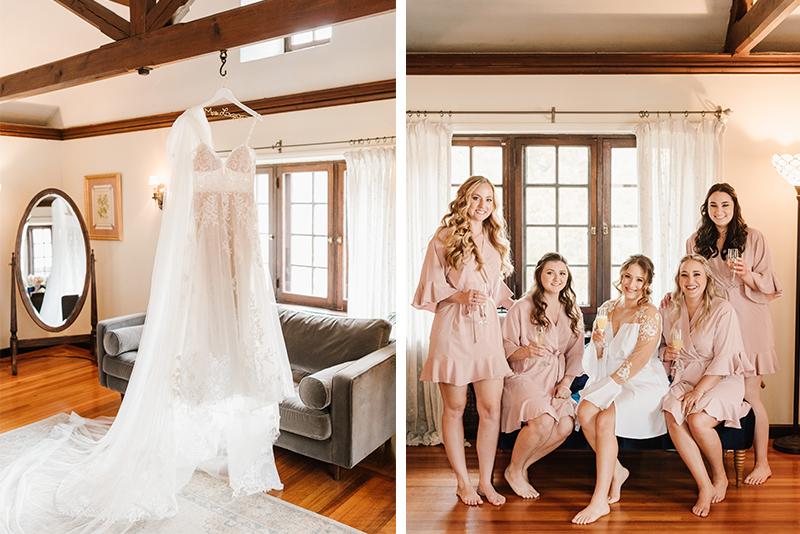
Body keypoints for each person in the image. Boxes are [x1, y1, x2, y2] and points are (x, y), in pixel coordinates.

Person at [413, 175, 515, 506]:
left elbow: (494, 286)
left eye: (488, 199)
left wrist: (520, 306)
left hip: (486, 331)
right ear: (463, 200)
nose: (482, 205)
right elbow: (430, 284)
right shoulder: (443, 238)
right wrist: (459, 295)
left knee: (490, 408)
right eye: (475, 198)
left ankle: (486, 481)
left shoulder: (494, 237)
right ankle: (462, 481)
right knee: (455, 407)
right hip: (453, 329)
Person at [685, 182, 781, 485]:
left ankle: (762, 463)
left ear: (734, 207)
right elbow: (690, 277)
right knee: (716, 387)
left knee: (751, 395)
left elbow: (770, 282)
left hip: (750, 322)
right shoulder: (697, 241)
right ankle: (715, 460)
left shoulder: (754, 238)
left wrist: (746, 274)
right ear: (707, 209)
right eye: (714, 205)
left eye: (725, 205)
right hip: (715, 325)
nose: (719, 211)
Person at [572, 255, 669, 525]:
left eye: (639, 279)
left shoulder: (649, 313)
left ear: (646, 283)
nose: (631, 284)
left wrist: (614, 383)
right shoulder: (606, 308)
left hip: (640, 382)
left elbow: (640, 358)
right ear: (622, 275)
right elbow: (598, 356)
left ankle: (599, 499)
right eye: (628, 276)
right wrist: (600, 343)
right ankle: (617, 470)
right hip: (608, 376)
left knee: (605, 418)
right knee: (584, 410)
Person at [661, 254, 751, 517]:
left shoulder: (723, 310)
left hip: (720, 377)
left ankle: (719, 476)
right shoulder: (669, 308)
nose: (690, 281)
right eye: (684, 275)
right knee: (672, 412)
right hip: (685, 375)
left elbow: (725, 357)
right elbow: (657, 346)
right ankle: (704, 485)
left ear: (707, 278)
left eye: (696, 274)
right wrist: (665, 352)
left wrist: (698, 390)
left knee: (698, 419)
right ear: (678, 280)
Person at [500, 253, 584, 500]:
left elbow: (575, 354)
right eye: (550, 272)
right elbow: (503, 347)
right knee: (545, 420)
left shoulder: (572, 310)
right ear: (539, 274)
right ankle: (516, 470)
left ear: (567, 279)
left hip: (556, 379)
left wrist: (566, 383)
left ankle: (518, 468)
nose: (556, 278)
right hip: (523, 376)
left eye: (562, 274)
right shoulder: (522, 307)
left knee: (565, 425)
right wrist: (523, 351)